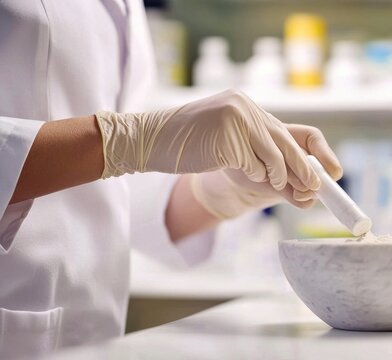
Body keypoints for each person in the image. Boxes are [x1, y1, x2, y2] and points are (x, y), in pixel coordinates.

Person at [0, 1, 342, 357]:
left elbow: (116, 189)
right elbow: (122, 149)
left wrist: (219, 193)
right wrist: (128, 139)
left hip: (94, 332)